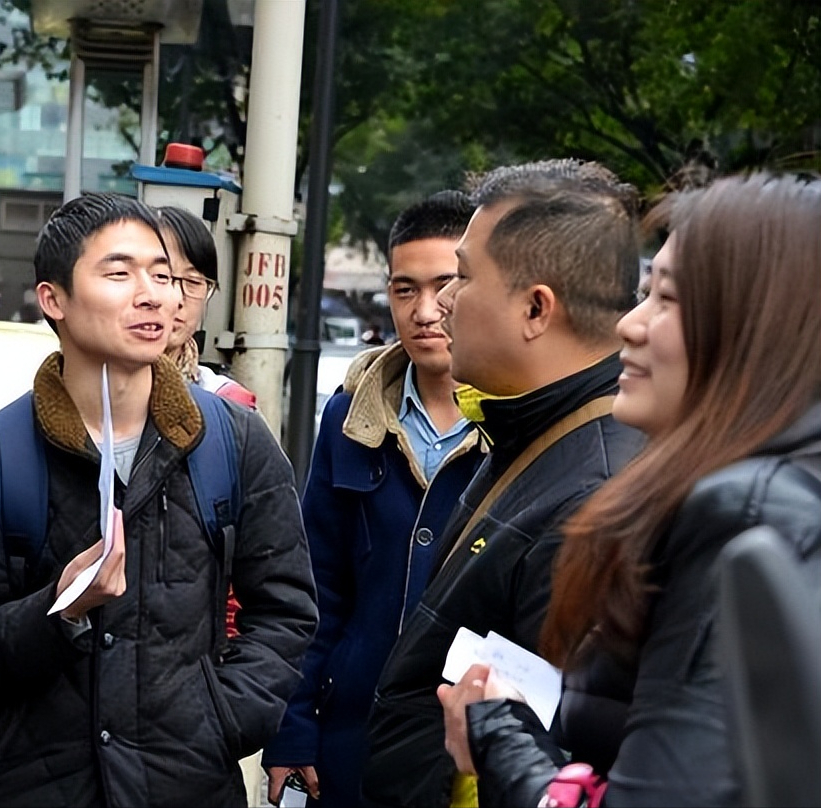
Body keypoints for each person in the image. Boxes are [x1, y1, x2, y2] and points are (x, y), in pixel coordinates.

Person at [438, 172, 821, 807]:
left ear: (756, 327)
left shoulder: (741, 516)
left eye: (666, 300)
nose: (630, 326)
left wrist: (495, 733)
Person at [0, 192, 318, 806]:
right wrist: (62, 611)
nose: (154, 295)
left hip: (188, 784)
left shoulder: (232, 441)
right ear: (53, 299)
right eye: (119, 273)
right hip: (31, 786)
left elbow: (287, 609)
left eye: (163, 276)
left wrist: (221, 717)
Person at [362, 160, 647, 808]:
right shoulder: (530, 426)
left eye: (462, 276)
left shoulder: (594, 500)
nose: (442, 306)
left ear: (536, 308)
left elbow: (556, 764)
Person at [262, 191, 485, 808]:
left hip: (473, 742)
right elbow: (314, 589)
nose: (425, 310)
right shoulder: (348, 418)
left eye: (447, 285)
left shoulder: (517, 425)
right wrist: (293, 726)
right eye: (404, 289)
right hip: (353, 733)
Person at [157, 206, 257, 408]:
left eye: (193, 282)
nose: (177, 298)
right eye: (161, 277)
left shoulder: (229, 406)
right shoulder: (87, 393)